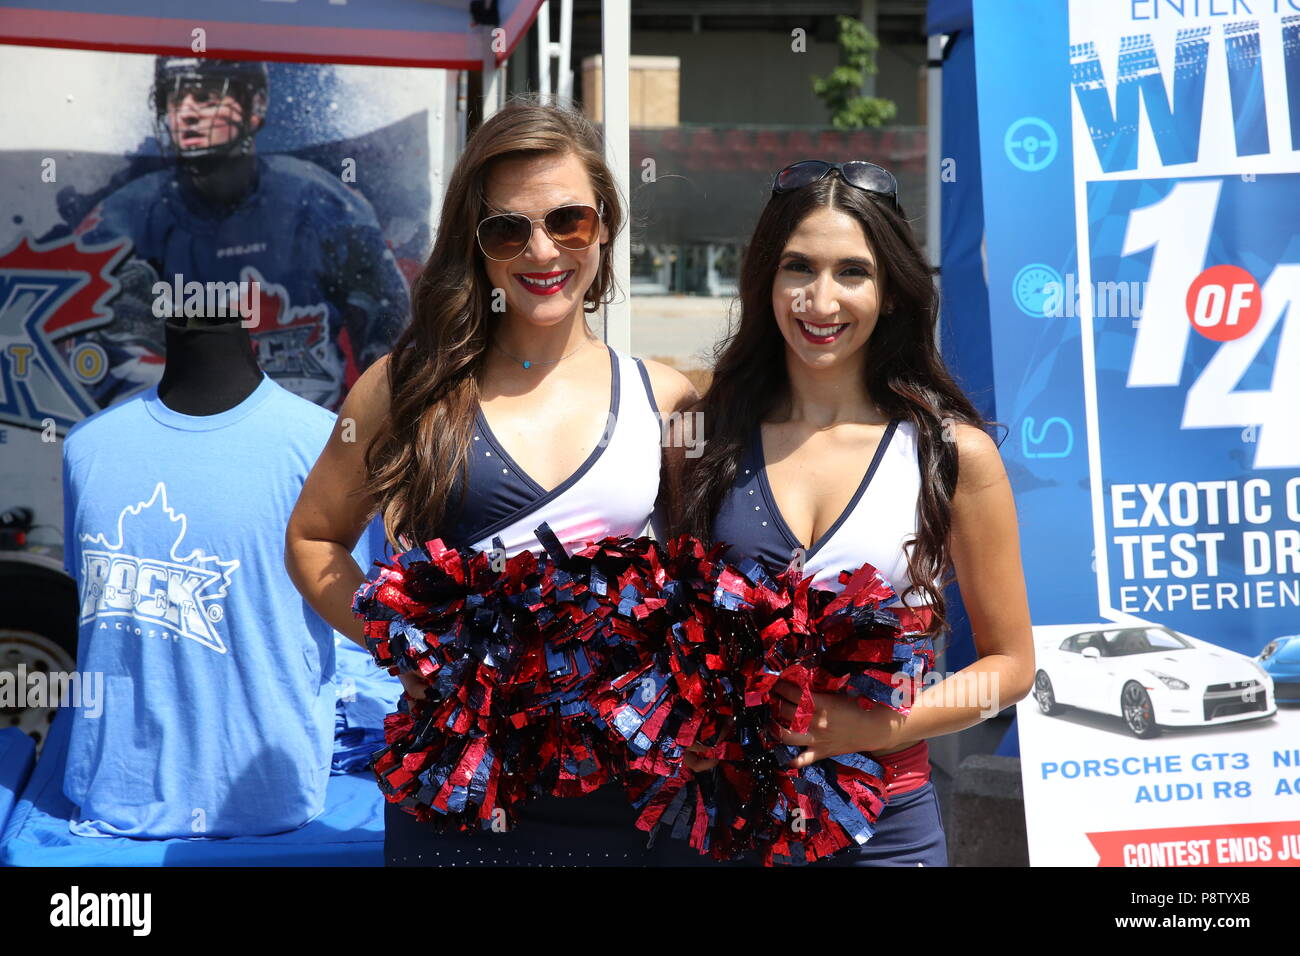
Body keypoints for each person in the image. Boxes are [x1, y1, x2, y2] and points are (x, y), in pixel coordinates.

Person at [283, 97, 699, 867]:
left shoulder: (669, 401)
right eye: (508, 229)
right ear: (476, 248)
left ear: (604, 225)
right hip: (459, 799)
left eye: (568, 220)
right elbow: (312, 539)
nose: (543, 251)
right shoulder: (403, 386)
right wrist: (405, 651)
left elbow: (705, 588)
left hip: (624, 800)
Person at [660, 159, 1036, 866]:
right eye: (798, 268)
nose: (820, 300)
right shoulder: (702, 435)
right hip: (724, 834)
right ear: (765, 281)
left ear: (892, 291)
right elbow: (668, 623)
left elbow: (1011, 666)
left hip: (888, 836)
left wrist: (880, 725)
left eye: (853, 273)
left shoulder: (953, 455)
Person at [65, 56, 409, 411]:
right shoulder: (123, 219)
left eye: (205, 97)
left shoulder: (321, 202)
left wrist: (368, 438)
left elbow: (393, 337)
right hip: (182, 443)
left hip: (309, 449)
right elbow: (92, 363)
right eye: (174, 98)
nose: (186, 113)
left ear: (255, 105)